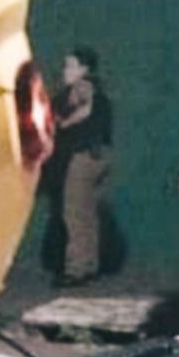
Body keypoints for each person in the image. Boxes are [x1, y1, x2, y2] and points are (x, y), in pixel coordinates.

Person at [51, 45, 113, 287]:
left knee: (74, 213)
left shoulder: (83, 85)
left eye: (70, 65)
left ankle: (76, 270)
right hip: (102, 155)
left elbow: (85, 109)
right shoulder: (97, 86)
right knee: (87, 214)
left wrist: (65, 122)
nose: (65, 70)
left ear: (83, 69)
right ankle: (89, 265)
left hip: (86, 156)